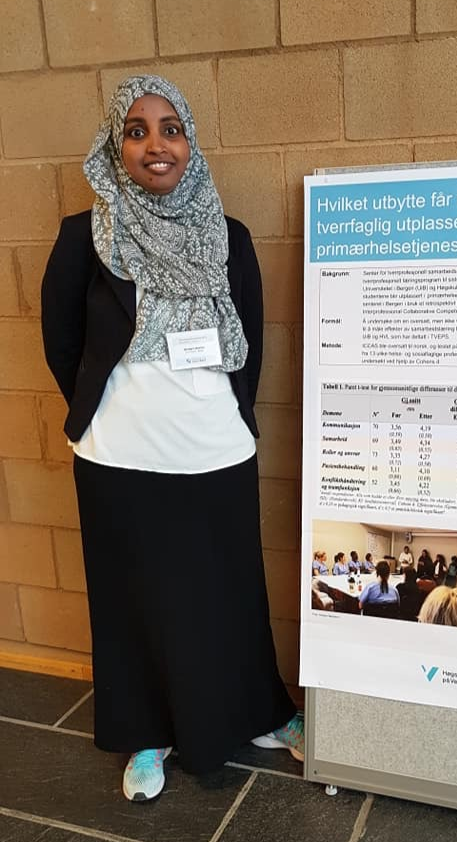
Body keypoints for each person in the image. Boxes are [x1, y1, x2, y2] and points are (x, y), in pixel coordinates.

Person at [40, 76, 302, 803]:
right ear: (115, 146)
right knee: (134, 601)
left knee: (231, 591)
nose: (156, 144)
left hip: (215, 446)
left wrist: (233, 416)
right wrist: (101, 410)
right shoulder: (84, 237)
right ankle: (148, 733)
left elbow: (249, 342)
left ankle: (257, 713)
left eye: (171, 128)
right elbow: (63, 343)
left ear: (190, 141)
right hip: (119, 455)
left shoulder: (230, 237)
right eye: (136, 130)